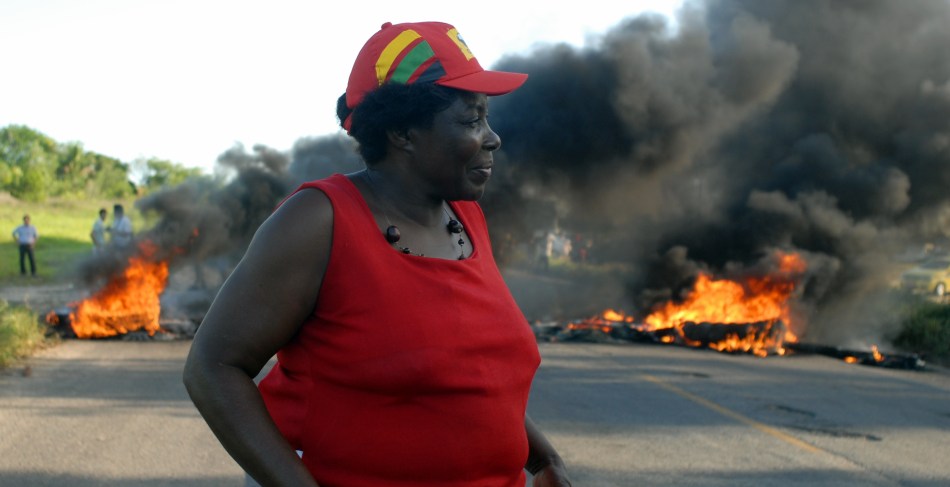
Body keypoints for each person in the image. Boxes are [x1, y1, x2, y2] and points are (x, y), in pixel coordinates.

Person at [184, 21, 572, 487]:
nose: (493, 137)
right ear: (402, 132)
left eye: (487, 116)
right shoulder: (319, 220)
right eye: (471, 119)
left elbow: (472, 379)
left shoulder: (467, 221)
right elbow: (213, 367)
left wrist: (545, 460)